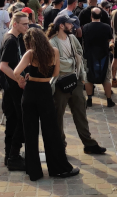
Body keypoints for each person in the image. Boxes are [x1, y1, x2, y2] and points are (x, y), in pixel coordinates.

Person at [13, 28, 80, 181]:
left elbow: (17, 71)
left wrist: (22, 79)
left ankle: (34, 171)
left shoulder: (30, 54)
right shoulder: (54, 51)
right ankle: (58, 168)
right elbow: (56, 74)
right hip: (45, 92)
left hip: (30, 93)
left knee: (30, 132)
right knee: (51, 131)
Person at [46, 16, 107, 153]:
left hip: (76, 81)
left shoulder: (72, 38)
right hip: (60, 83)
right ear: (61, 26)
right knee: (58, 117)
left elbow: (80, 54)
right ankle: (60, 146)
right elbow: (58, 63)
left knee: (81, 114)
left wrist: (81, 74)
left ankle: (89, 144)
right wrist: (72, 62)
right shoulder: (52, 42)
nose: (73, 26)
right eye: (69, 24)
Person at [0, 12, 29, 171]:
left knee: (13, 121)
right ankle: (13, 156)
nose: (27, 26)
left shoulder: (14, 38)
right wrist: (18, 79)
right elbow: (3, 66)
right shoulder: (11, 40)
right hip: (13, 87)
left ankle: (9, 155)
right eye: (24, 24)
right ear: (15, 24)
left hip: (11, 87)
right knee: (20, 121)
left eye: (28, 23)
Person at [82, 8, 115, 107]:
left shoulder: (86, 27)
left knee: (88, 78)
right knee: (106, 78)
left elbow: (83, 38)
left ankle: (89, 99)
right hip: (103, 54)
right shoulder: (106, 27)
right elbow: (110, 38)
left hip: (89, 55)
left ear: (91, 16)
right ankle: (109, 100)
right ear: (101, 16)